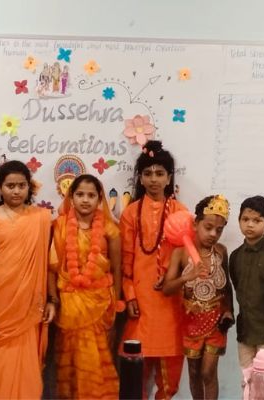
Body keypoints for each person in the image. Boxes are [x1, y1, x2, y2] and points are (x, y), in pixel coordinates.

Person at [0, 160, 53, 398]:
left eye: (21, 185)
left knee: (28, 372)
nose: (16, 191)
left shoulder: (42, 218)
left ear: (29, 188)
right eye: (10, 186)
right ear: (0, 188)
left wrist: (52, 300)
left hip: (30, 305)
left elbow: (49, 264)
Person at [120, 140, 187, 399]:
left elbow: (187, 259)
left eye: (160, 173)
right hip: (140, 301)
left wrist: (172, 277)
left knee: (169, 381)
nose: (154, 179)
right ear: (140, 178)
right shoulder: (131, 213)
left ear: (169, 178)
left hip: (171, 301)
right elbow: (126, 260)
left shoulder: (181, 213)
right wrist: (129, 296)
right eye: (148, 173)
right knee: (135, 374)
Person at [50, 174, 121, 399]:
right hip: (69, 303)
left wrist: (117, 304)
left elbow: (117, 269)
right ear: (71, 197)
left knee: (98, 359)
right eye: (80, 194)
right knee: (69, 359)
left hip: (100, 303)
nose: (85, 200)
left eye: (91, 195)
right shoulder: (59, 225)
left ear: (99, 198)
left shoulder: (110, 229)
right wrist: (53, 298)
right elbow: (52, 267)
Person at [162, 195, 234, 400]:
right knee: (194, 372)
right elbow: (167, 288)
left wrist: (228, 311)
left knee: (208, 372)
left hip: (216, 321)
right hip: (190, 322)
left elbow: (226, 286)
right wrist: (187, 277)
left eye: (219, 230)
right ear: (195, 224)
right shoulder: (180, 253)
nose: (213, 234)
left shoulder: (221, 252)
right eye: (208, 227)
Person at [229, 196, 264, 394]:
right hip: (245, 332)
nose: (250, 225)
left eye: (257, 220)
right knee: (247, 383)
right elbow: (237, 287)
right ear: (239, 221)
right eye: (245, 219)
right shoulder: (235, 256)